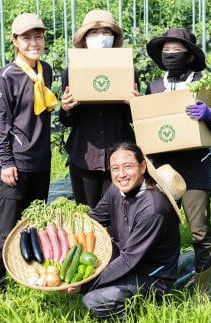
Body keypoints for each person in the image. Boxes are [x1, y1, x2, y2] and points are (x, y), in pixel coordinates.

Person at [144, 28, 211, 293]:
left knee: (200, 232)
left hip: (194, 167)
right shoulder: (155, 87)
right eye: (166, 51)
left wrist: (209, 115)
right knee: (160, 229)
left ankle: (203, 287)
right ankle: (160, 285)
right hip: (163, 169)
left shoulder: (205, 84)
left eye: (176, 51)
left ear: (190, 56)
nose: (170, 55)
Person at [64, 142, 186, 320]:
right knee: (92, 259)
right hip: (127, 255)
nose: (121, 174)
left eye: (128, 167)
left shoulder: (152, 209)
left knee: (94, 299)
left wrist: (84, 284)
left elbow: (129, 260)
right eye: (115, 168)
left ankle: (148, 307)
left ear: (143, 166)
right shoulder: (117, 189)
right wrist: (62, 234)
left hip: (151, 276)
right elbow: (95, 218)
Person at [0, 13, 57, 293]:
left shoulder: (45, 70)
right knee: (4, 228)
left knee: (32, 222)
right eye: (26, 38)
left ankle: (25, 275)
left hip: (41, 161)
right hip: (16, 164)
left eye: (38, 36)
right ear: (15, 41)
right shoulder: (7, 78)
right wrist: (6, 162)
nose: (34, 42)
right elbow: (0, 125)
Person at [59, 9, 139, 209]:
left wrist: (136, 105)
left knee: (122, 212)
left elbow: (133, 117)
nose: (101, 38)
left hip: (120, 153)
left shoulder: (128, 69)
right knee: (89, 214)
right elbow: (68, 120)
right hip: (85, 155)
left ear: (114, 37)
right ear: (85, 39)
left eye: (106, 32)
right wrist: (66, 107)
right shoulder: (72, 71)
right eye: (94, 33)